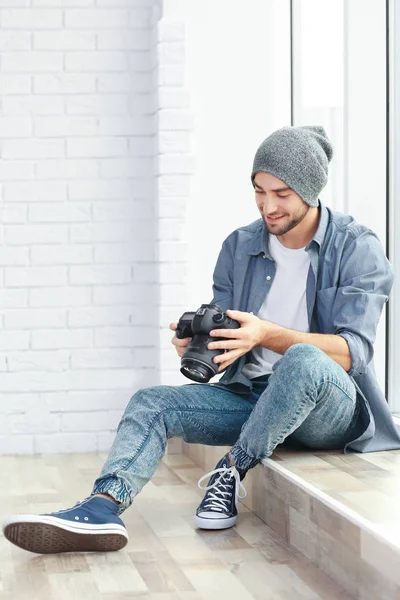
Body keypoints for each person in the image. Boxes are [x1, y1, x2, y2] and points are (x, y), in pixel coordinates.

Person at [3, 125, 400, 555]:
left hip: (330, 410)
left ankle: (229, 472)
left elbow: (354, 353)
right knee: (151, 401)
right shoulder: (240, 245)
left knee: (301, 359)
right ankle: (101, 507)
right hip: (253, 400)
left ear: (310, 189)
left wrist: (267, 334)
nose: (268, 205)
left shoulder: (356, 247)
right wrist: (203, 346)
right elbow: (229, 341)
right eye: (259, 190)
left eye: (282, 193)